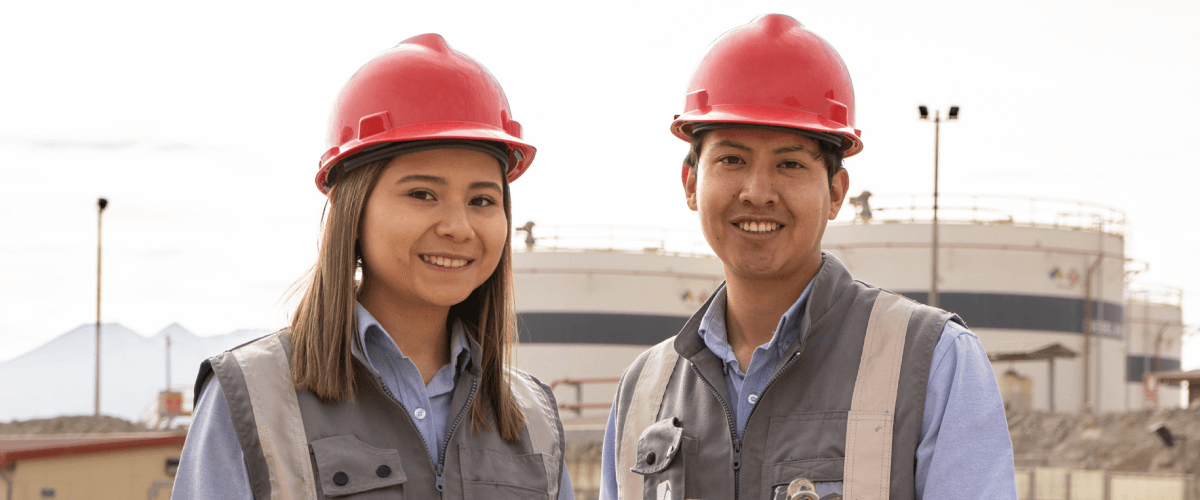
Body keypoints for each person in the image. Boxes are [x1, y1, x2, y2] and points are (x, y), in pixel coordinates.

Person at [599, 14, 1016, 500]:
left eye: (789, 164)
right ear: (691, 183)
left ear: (836, 192)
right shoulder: (644, 391)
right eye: (732, 159)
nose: (757, 192)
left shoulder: (933, 363)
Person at [174, 34, 573, 499]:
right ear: (353, 210)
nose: (459, 227)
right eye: (422, 194)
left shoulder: (534, 416)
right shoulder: (254, 398)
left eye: (482, 200)